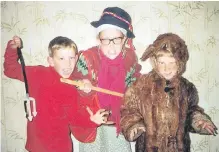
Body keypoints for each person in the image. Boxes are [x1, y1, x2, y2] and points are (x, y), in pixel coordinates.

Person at [3, 36, 110, 152]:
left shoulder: (73, 85)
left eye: (71, 58)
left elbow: (74, 118)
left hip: (62, 147)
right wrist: (12, 48)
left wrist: (92, 120)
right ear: (51, 61)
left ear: (77, 58)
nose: (68, 64)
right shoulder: (37, 74)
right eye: (61, 58)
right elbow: (10, 69)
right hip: (37, 146)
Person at [120, 33, 218, 152]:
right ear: (155, 61)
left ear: (180, 62)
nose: (167, 69)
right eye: (162, 63)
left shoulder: (187, 88)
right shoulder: (141, 85)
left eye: (172, 63)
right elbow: (129, 111)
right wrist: (133, 126)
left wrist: (200, 121)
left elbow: (191, 111)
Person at [71, 6, 141, 152]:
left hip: (117, 123)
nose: (111, 47)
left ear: (125, 39)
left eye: (116, 40)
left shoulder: (130, 58)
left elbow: (135, 83)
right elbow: (74, 90)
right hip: (92, 123)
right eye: (105, 40)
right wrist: (84, 89)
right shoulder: (88, 58)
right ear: (98, 39)